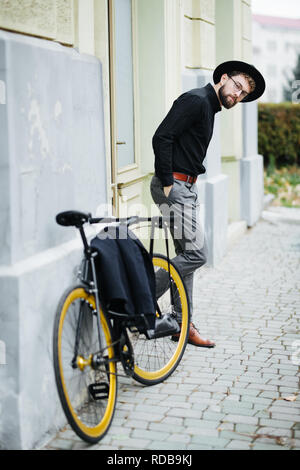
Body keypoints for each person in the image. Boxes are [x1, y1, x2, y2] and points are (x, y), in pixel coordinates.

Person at [151, 60, 266, 348]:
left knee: (186, 256)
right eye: (237, 87)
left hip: (185, 187)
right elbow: (162, 136)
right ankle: (140, 295)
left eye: (242, 95)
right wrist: (168, 183)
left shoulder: (209, 107)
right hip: (174, 186)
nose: (237, 96)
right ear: (223, 78)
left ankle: (183, 323)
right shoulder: (197, 100)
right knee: (198, 254)